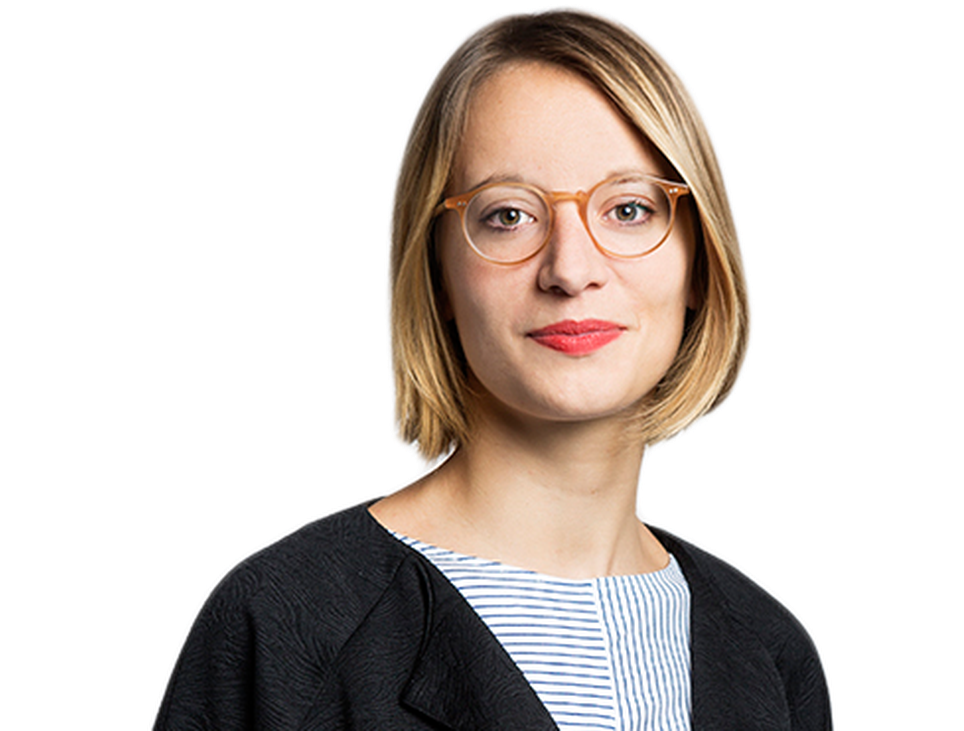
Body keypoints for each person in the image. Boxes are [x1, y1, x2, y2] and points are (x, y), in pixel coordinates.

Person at [151, 7, 832, 730]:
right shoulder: (285, 624)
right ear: (437, 273)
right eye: (508, 215)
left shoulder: (772, 652)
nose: (570, 269)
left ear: (699, 260)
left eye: (630, 209)